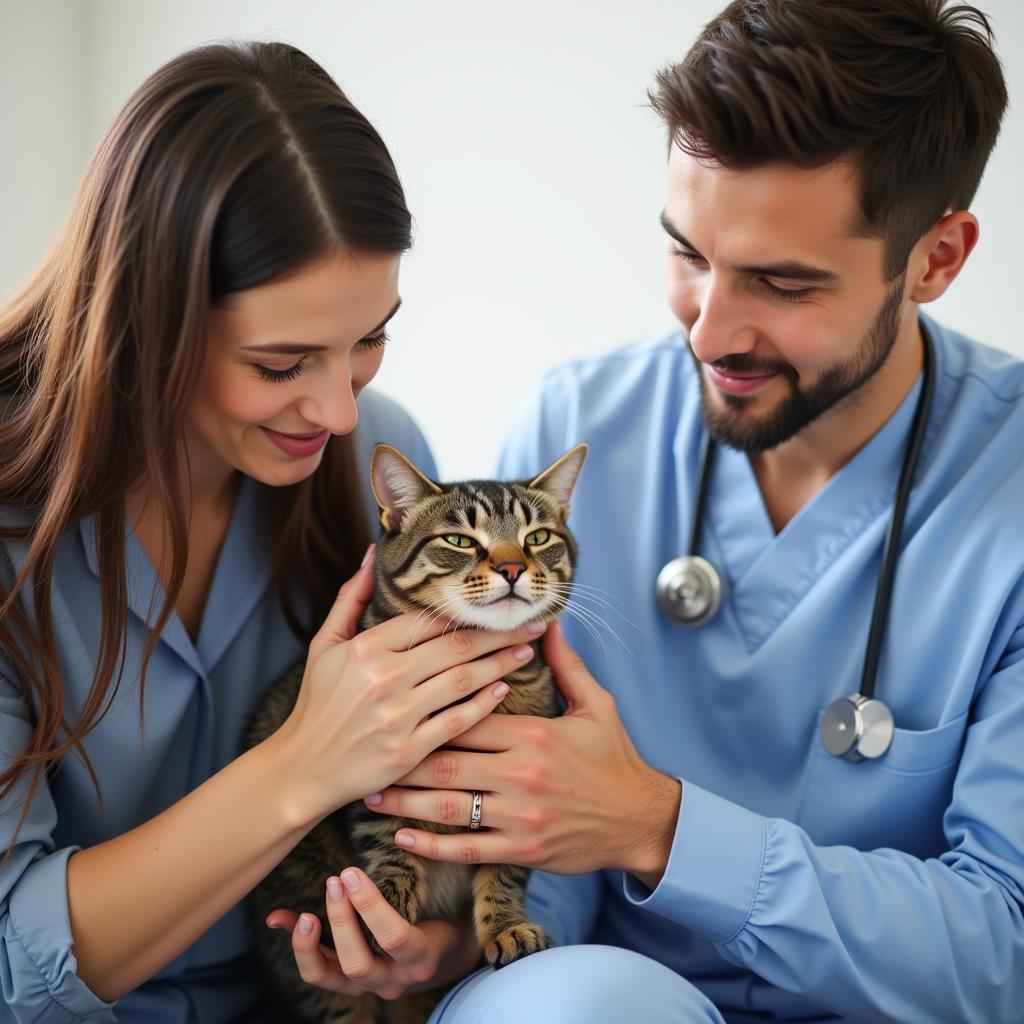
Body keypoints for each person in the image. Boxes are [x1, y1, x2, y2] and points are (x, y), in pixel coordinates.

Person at [295, 2, 1022, 1021]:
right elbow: (501, 825)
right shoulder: (581, 420)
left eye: (780, 282)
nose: (709, 331)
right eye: (687, 252)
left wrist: (660, 829)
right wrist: (439, 938)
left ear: (936, 258)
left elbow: (1004, 947)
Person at [0, 41, 543, 1022]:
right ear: (148, 319)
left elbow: (466, 804)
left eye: (370, 337)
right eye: (282, 359)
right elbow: (11, 963)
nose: (338, 410)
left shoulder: (383, 456)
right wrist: (305, 762)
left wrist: (427, 947)